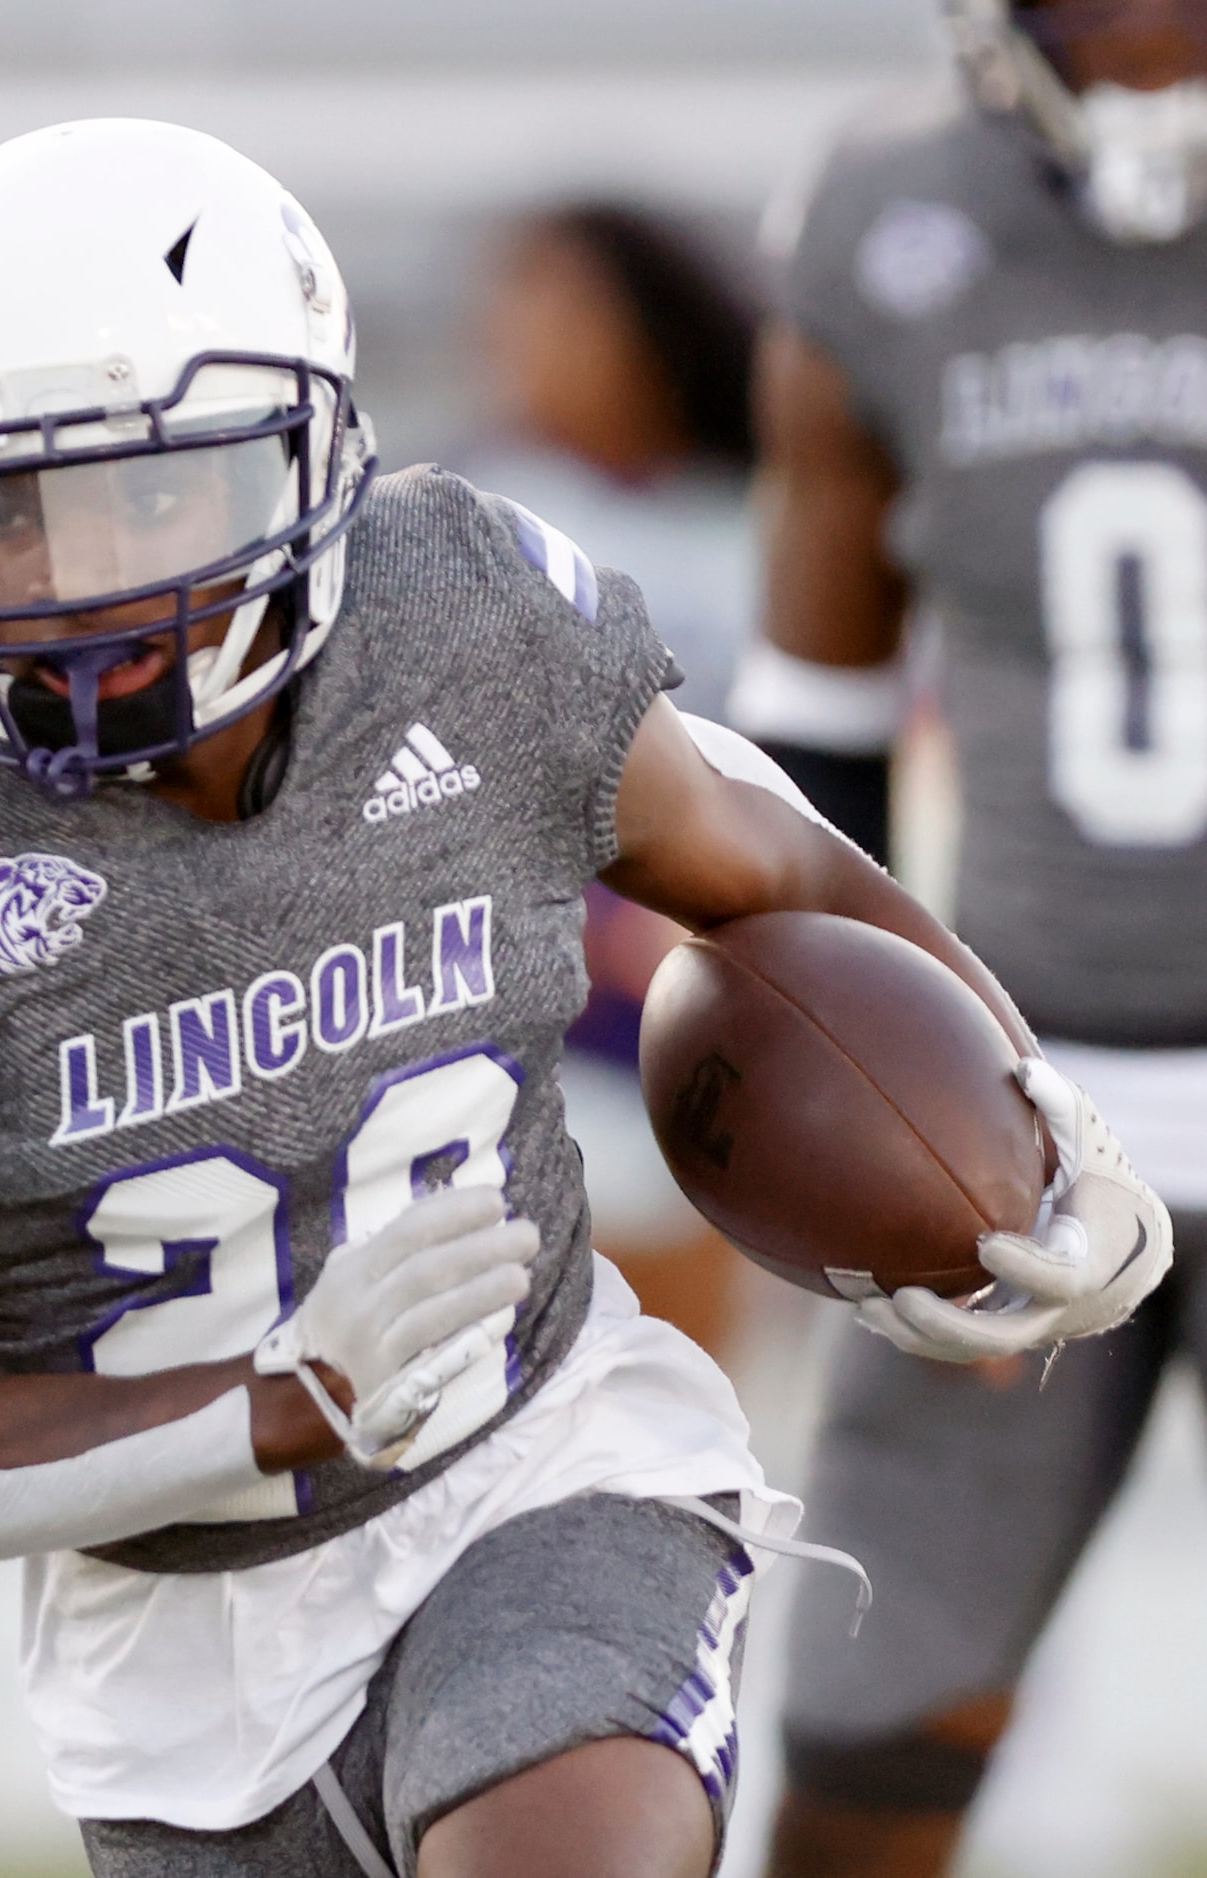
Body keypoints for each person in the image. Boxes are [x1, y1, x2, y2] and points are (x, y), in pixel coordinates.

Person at [0, 119, 1169, 1878]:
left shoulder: (455, 611)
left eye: (154, 486)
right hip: (175, 1632)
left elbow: (771, 863)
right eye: (2, 509)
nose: (74, 573)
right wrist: (274, 1402)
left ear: (307, 454)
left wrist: (1020, 1119)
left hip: (535, 1460)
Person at [734, 1, 1207, 1871]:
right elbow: (815, 724)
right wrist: (848, 1100)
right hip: (1026, 1117)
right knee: (867, 1713)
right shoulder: (883, 212)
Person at [462, 201, 769, 1354]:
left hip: (711, 1004)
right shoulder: (465, 517)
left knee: (682, 1402)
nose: (517, 343)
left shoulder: (758, 522)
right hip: (533, 1013)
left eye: (559, 313)